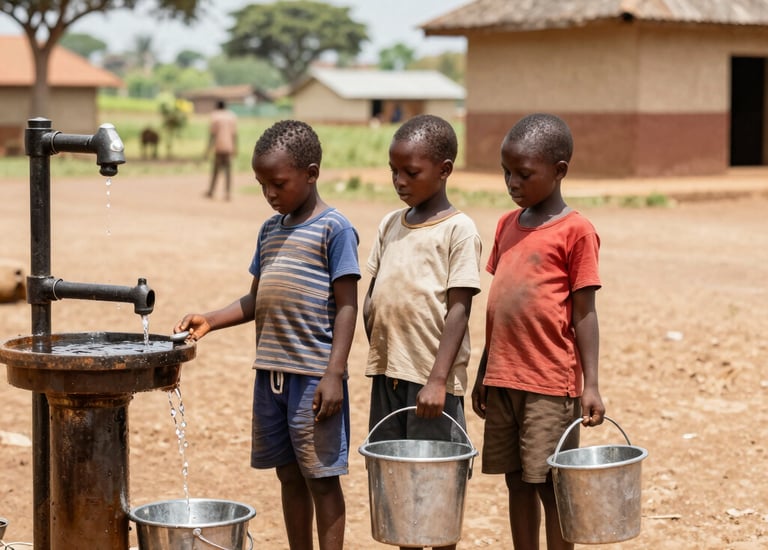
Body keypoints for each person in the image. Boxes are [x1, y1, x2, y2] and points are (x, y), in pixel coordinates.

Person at [176, 120, 360, 550]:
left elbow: (348, 304)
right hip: (271, 376)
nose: (270, 195)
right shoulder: (269, 231)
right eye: (262, 185)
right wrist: (211, 319)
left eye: (278, 183)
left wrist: (335, 373)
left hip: (314, 378)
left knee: (321, 478)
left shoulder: (335, 230)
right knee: (288, 473)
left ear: (311, 174)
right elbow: (256, 298)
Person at [471, 113, 606, 550]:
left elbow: (584, 313)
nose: (512, 182)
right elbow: (500, 304)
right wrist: (484, 371)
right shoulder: (506, 225)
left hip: (551, 382)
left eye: (523, 174)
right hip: (504, 378)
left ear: (560, 170)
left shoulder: (576, 231)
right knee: (516, 480)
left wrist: (591, 385)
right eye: (506, 172)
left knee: (550, 481)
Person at [363, 114, 482, 550]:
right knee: (399, 484)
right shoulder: (390, 223)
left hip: (433, 386)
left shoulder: (458, 230)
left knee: (435, 489)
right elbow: (374, 290)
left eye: (411, 172)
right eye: (393, 171)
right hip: (389, 377)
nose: (399, 180)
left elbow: (459, 309)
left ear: (444, 169)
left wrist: (436, 380)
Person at [205, 99, 238, 200]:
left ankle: (211, 191)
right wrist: (235, 147)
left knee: (215, 171)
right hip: (229, 147)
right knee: (228, 172)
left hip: (218, 147)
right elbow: (234, 134)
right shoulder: (232, 116)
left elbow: (212, 134)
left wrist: (208, 149)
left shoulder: (215, 116)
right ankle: (227, 193)